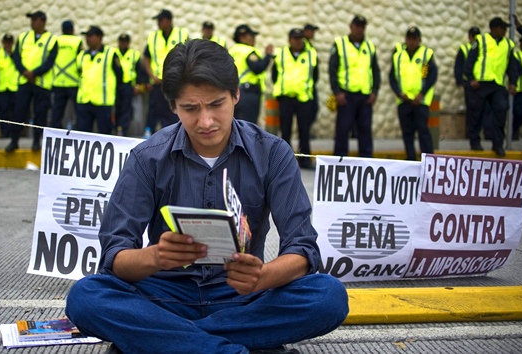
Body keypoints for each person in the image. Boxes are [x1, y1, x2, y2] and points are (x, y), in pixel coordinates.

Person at [65, 39, 348, 354]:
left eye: (216, 104)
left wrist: (263, 276)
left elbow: (303, 249)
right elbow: (115, 257)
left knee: (328, 296)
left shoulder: (272, 153)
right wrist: (155, 257)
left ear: (236, 94)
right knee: (86, 297)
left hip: (244, 298)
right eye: (190, 108)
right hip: (165, 295)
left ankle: (167, 341)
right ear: (173, 106)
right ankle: (221, 347)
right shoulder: (147, 158)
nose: (206, 122)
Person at [464, 17, 518, 157]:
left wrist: (513, 82)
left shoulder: (508, 44)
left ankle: (498, 144)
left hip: (498, 84)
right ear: (494, 29)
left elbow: (512, 65)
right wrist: (471, 79)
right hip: (480, 84)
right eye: (503, 28)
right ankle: (475, 143)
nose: (505, 31)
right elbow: (470, 60)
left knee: (500, 111)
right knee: (476, 114)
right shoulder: (481, 40)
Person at [329, 15, 381, 157]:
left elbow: (375, 70)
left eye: (362, 27)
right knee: (343, 130)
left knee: (365, 130)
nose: (359, 29)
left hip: (365, 96)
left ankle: (366, 162)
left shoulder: (369, 46)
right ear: (351, 27)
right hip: (346, 95)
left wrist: (375, 91)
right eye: (357, 26)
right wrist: (337, 92)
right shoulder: (340, 44)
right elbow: (332, 70)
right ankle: (340, 161)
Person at [6, 10, 58, 153]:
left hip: (41, 83)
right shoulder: (23, 37)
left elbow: (50, 62)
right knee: (19, 112)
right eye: (32, 20)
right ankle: (14, 140)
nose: (33, 22)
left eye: (36, 19)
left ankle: (36, 141)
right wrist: (25, 72)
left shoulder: (51, 40)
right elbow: (16, 57)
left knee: (40, 113)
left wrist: (34, 73)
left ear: (43, 21)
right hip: (24, 81)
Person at [271, 28, 318, 169]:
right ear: (289, 39)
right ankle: (286, 161)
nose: (298, 41)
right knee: (285, 130)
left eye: (300, 38)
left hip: (304, 98)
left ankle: (305, 160)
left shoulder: (311, 54)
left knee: (304, 131)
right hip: (286, 98)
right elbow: (275, 75)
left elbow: (315, 76)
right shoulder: (281, 54)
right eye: (295, 38)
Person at [389, 27, 438, 161]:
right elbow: (392, 77)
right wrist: (399, 93)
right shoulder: (398, 56)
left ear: (419, 40)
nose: (411, 42)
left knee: (423, 130)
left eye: (414, 39)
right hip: (404, 101)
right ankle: (410, 159)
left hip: (420, 101)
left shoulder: (425, 55)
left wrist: (422, 94)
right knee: (407, 133)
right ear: (405, 40)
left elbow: (430, 76)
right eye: (409, 39)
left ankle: (428, 161)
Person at [142, 9, 188, 137]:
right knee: (155, 110)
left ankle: (175, 135)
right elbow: (146, 57)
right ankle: (150, 134)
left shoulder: (181, 33)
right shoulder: (153, 36)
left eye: (161, 20)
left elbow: (189, 55)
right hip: (158, 82)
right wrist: (151, 75)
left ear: (169, 20)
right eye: (158, 21)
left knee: (174, 110)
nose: (159, 23)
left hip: (176, 81)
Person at [74, 26, 122, 135]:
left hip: (103, 102)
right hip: (84, 101)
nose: (87, 39)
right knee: (83, 135)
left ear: (100, 38)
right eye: (86, 36)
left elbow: (120, 76)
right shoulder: (82, 55)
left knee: (105, 134)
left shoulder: (110, 53)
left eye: (90, 36)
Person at [229, 24, 274, 124]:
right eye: (252, 36)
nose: (254, 39)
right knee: (247, 126)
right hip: (248, 94)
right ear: (242, 37)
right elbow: (258, 68)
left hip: (233, 93)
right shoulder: (248, 51)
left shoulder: (232, 51)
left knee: (235, 125)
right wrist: (268, 56)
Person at [50, 20, 82, 130]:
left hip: (58, 81)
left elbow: (51, 59)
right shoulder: (77, 41)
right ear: (72, 30)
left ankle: (56, 134)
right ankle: (79, 132)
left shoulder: (57, 40)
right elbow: (81, 60)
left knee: (57, 112)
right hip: (74, 81)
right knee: (79, 112)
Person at [454, 26, 484, 141]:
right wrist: (461, 82)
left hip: (482, 85)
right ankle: (471, 134)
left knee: (482, 111)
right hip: (470, 84)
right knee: (471, 110)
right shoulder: (465, 49)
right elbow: (459, 66)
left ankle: (481, 133)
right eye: (474, 36)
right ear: (469, 37)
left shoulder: (483, 48)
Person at [115, 33, 147, 136]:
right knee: (116, 109)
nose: (123, 44)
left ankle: (123, 131)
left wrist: (138, 85)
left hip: (128, 85)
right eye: (121, 41)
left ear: (128, 43)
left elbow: (139, 71)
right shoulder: (114, 53)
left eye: (125, 42)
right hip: (115, 86)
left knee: (126, 109)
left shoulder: (134, 54)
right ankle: (116, 128)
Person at [0, 33, 18, 139]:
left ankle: (14, 132)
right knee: (3, 111)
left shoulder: (17, 54)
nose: (8, 45)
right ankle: (4, 132)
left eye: (10, 42)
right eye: (6, 42)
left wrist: (12, 54)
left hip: (14, 87)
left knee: (14, 112)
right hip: (2, 87)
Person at [303, 23, 320, 126]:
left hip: (310, 84)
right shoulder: (304, 45)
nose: (313, 34)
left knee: (313, 110)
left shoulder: (309, 45)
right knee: (310, 111)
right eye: (311, 31)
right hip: (305, 86)